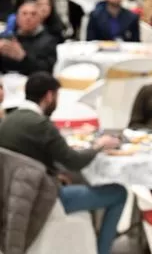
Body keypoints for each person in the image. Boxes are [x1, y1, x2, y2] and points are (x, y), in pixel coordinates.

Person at [0, 72, 126, 254]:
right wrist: (100, 145)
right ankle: (103, 250)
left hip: (15, 197)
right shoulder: (42, 125)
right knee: (118, 193)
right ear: (50, 96)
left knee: (75, 180)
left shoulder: (8, 121)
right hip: (45, 199)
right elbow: (74, 162)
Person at [0, 0, 58, 74]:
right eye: (24, 13)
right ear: (17, 18)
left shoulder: (49, 41)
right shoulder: (8, 38)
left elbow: (46, 70)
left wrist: (23, 58)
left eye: (33, 14)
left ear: (40, 19)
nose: (28, 18)